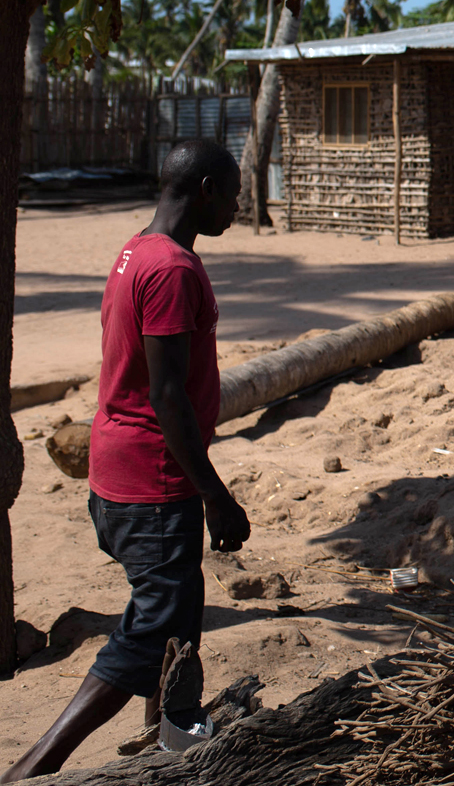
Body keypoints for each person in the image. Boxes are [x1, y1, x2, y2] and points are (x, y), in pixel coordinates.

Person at [4, 139, 251, 781]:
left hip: (119, 468)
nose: (237, 204)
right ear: (203, 190)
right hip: (153, 477)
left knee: (178, 611)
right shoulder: (171, 270)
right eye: (231, 192)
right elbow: (167, 394)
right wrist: (214, 493)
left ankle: (175, 734)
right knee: (150, 633)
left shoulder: (135, 251)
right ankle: (34, 765)